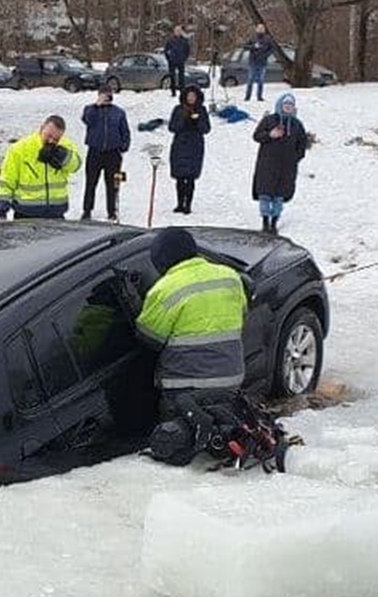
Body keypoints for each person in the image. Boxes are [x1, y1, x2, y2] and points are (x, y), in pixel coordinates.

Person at [136, 227, 247, 420]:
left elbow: (150, 338)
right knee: (224, 433)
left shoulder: (165, 289)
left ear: (162, 260)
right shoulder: (229, 277)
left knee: (182, 439)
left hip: (183, 387)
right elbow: (242, 313)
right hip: (229, 380)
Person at [0, 115, 82, 220]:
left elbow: (76, 167)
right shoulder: (20, 148)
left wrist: (63, 156)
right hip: (26, 212)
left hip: (56, 212)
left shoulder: (65, 145)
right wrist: (2, 209)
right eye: (48, 136)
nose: (51, 141)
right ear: (41, 128)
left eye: (56, 139)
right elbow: (7, 180)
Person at [252, 92, 308, 234]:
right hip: (267, 164)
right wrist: (270, 135)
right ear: (280, 105)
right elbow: (257, 136)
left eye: (290, 105)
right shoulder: (269, 120)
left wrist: (295, 158)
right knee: (265, 193)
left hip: (287, 167)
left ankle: (274, 222)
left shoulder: (296, 124)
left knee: (279, 195)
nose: (288, 107)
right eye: (285, 104)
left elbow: (302, 144)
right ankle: (265, 221)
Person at [80, 87, 130, 222]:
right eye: (103, 95)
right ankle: (87, 210)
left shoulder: (118, 112)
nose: (106, 97)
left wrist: (124, 146)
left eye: (108, 95)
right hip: (95, 151)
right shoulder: (90, 109)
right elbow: (87, 120)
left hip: (113, 153)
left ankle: (112, 210)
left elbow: (125, 131)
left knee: (112, 184)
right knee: (91, 182)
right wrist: (97, 106)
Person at [168, 85, 210, 215]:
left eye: (193, 96)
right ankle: (180, 203)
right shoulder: (178, 109)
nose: (191, 99)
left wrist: (197, 121)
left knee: (191, 177)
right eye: (189, 96)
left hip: (195, 146)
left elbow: (206, 129)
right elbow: (172, 127)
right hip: (180, 144)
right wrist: (183, 120)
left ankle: (188, 204)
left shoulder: (202, 110)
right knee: (180, 177)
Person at [245, 23, 276, 102]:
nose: (260, 30)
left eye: (262, 29)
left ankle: (259, 97)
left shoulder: (267, 38)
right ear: (256, 30)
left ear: (264, 30)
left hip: (262, 62)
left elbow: (272, 48)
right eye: (259, 29)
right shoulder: (252, 38)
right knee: (250, 79)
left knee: (261, 80)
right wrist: (253, 47)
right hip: (253, 61)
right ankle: (247, 97)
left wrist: (266, 55)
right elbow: (245, 47)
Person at [163, 25, 191, 98]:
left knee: (181, 77)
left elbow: (187, 50)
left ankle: (182, 91)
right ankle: (173, 91)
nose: (178, 32)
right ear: (174, 32)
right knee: (172, 76)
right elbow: (166, 50)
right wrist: (169, 58)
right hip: (172, 61)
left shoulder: (184, 40)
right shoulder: (170, 40)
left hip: (181, 61)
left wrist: (184, 58)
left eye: (179, 31)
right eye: (176, 31)